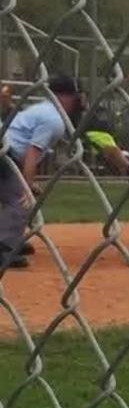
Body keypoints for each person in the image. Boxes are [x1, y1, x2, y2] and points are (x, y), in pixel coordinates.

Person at [0, 74, 82, 270]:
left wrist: (28, 182)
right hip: (5, 154)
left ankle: (10, 239)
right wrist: (26, 187)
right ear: (64, 97)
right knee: (21, 202)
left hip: (7, 152)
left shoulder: (42, 108)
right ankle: (4, 247)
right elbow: (31, 153)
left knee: (16, 197)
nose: (76, 101)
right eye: (73, 96)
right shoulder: (54, 119)